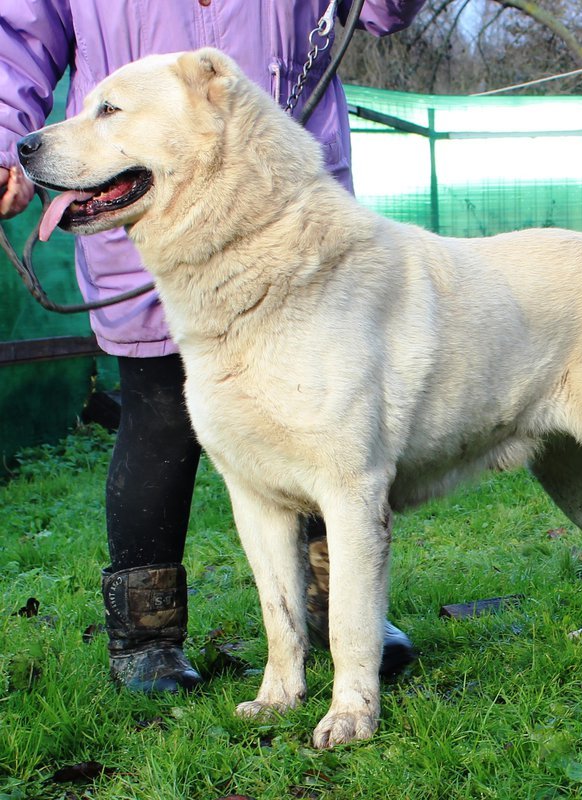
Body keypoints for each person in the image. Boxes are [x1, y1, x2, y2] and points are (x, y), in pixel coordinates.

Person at [0, 1, 425, 693]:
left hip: (283, 214)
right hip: (142, 203)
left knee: (320, 414)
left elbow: (378, 13)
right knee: (160, 412)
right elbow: (20, 34)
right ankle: (148, 639)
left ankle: (338, 614)